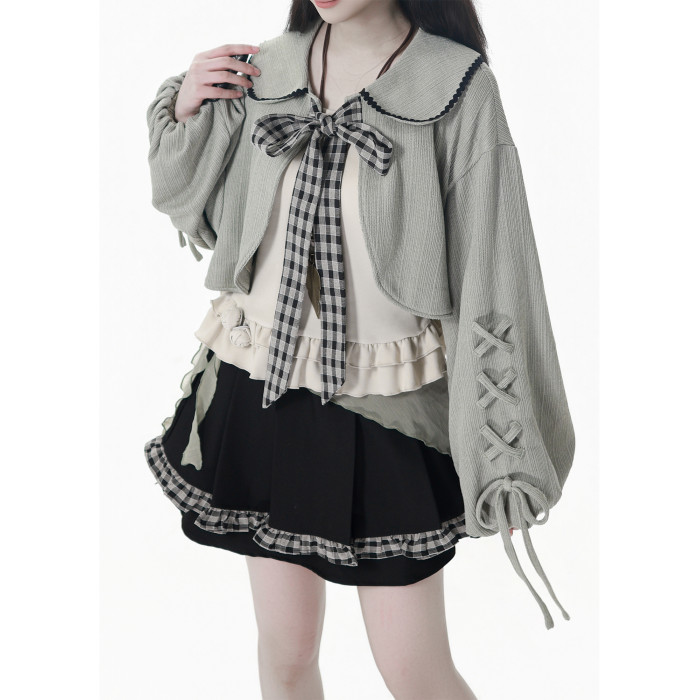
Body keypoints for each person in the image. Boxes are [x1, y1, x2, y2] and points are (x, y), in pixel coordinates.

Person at [144, 0, 576, 697]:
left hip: (387, 408)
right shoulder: (271, 66)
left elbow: (495, 274)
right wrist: (188, 109)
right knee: (286, 651)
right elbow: (187, 201)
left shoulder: (456, 86)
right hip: (264, 384)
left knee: (412, 669)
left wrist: (505, 447)